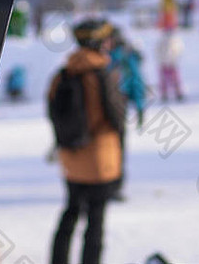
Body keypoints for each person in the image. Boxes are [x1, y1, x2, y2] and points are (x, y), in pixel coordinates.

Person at [48, 19, 125, 264]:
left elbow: (52, 112)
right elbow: (117, 117)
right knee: (95, 220)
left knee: (70, 213)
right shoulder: (102, 75)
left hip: (72, 158)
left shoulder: (62, 75)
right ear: (97, 43)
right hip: (100, 160)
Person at [109, 28, 146, 128]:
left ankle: (140, 116)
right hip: (124, 81)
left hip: (129, 80)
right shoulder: (119, 50)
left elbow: (134, 64)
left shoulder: (123, 50)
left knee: (136, 98)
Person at [156, 32, 184, 102]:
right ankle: (165, 94)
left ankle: (177, 93)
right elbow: (157, 51)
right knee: (164, 80)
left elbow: (179, 51)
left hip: (171, 63)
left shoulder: (175, 41)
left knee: (175, 79)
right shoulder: (162, 41)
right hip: (165, 63)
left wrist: (175, 58)